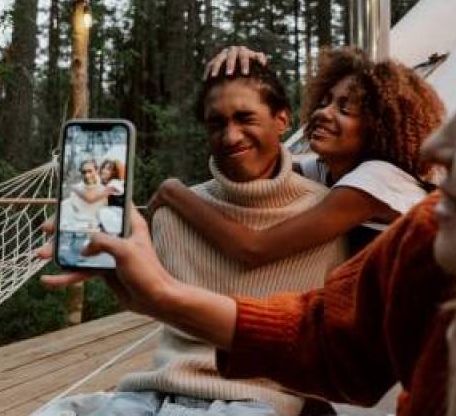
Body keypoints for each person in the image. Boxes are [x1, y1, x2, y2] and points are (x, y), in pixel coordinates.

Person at [41, 0, 456, 415]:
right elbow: (322, 332)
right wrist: (157, 290)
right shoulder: (422, 240)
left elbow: (259, 245)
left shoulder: (381, 189)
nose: (438, 151)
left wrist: (171, 192)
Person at [38, 61, 347, 416]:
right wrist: (112, 270)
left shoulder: (325, 216)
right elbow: (153, 302)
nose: (230, 136)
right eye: (217, 123)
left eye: (245, 118)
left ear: (282, 119)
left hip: (257, 401)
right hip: (154, 392)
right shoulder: (172, 215)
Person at [149, 46, 444, 263]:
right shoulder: (326, 172)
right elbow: (268, 168)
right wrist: (242, 65)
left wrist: (174, 192)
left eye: (344, 109)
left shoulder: (376, 181)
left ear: (378, 127)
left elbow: (255, 249)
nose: (323, 113)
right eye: (324, 102)